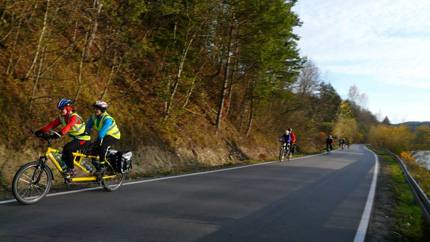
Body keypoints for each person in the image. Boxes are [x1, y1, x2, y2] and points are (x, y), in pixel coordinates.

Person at [34, 99, 91, 178]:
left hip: (84, 139)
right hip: (74, 139)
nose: (60, 111)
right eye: (59, 109)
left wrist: (60, 133)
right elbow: (51, 125)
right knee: (64, 156)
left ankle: (72, 170)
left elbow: (69, 126)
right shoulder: (61, 117)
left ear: (68, 108)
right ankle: (70, 174)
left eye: (62, 109)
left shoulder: (74, 116)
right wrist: (39, 131)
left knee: (67, 149)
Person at [86, 101, 120, 178]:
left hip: (113, 135)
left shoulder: (107, 119)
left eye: (97, 109)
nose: (95, 110)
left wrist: (99, 139)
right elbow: (87, 127)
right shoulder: (94, 116)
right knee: (93, 153)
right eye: (94, 108)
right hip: (104, 136)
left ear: (102, 109)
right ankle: (100, 173)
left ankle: (102, 166)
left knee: (101, 146)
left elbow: (102, 131)